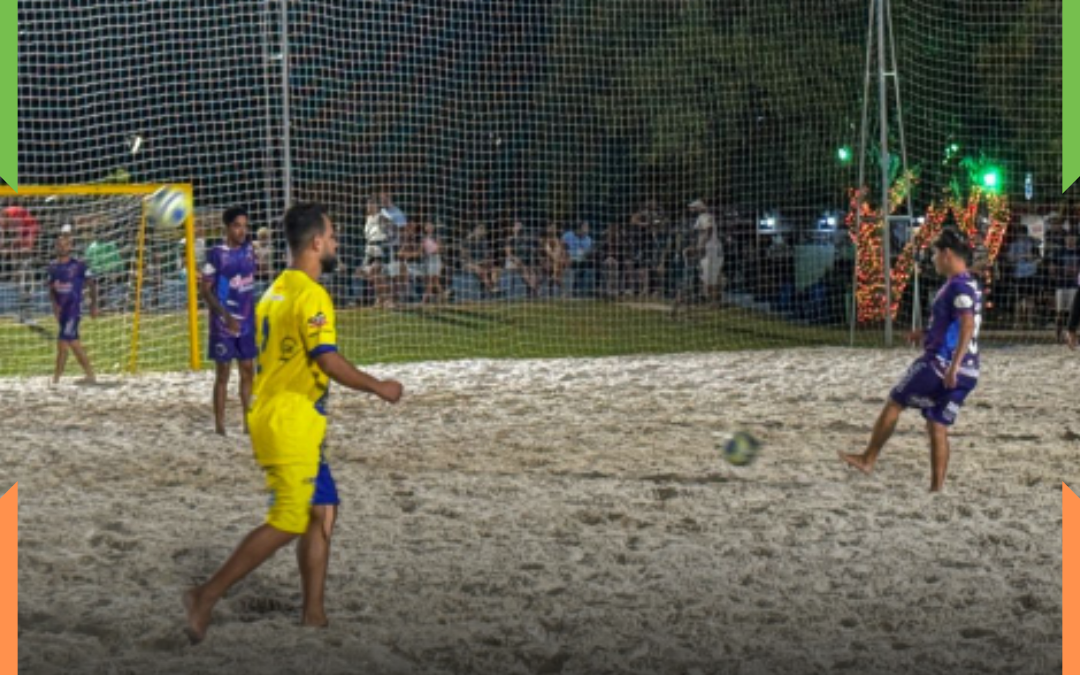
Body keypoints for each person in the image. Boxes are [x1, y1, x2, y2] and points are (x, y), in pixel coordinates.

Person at [183, 203, 403, 644]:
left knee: (323, 510)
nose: (338, 242)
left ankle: (314, 613)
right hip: (292, 421)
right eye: (334, 234)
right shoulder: (311, 294)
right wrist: (379, 386)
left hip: (272, 413)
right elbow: (327, 358)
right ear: (317, 243)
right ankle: (205, 595)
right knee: (289, 519)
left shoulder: (275, 289)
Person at [839, 227, 981, 492]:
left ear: (947, 254)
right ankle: (936, 489)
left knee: (895, 402)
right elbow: (956, 325)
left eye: (935, 254)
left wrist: (953, 365)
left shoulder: (958, 286)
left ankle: (868, 459)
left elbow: (967, 325)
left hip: (941, 364)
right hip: (970, 372)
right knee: (937, 424)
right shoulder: (969, 283)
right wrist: (926, 334)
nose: (933, 259)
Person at [200, 207, 258, 436]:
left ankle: (247, 422)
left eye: (245, 225)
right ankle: (220, 426)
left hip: (246, 324)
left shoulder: (249, 250)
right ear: (227, 227)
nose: (242, 230)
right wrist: (225, 316)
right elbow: (205, 291)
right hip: (223, 325)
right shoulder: (215, 254)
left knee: (247, 370)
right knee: (223, 373)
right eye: (237, 225)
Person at [48, 226, 98, 384]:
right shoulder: (52, 267)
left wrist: (93, 305)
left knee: (62, 344)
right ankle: (90, 375)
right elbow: (51, 288)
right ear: (56, 247)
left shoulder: (79, 265)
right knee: (74, 344)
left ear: (70, 247)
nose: (62, 248)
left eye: (66, 245)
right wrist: (54, 305)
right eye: (60, 245)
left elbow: (92, 284)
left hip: (73, 311)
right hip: (62, 312)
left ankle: (56, 379)